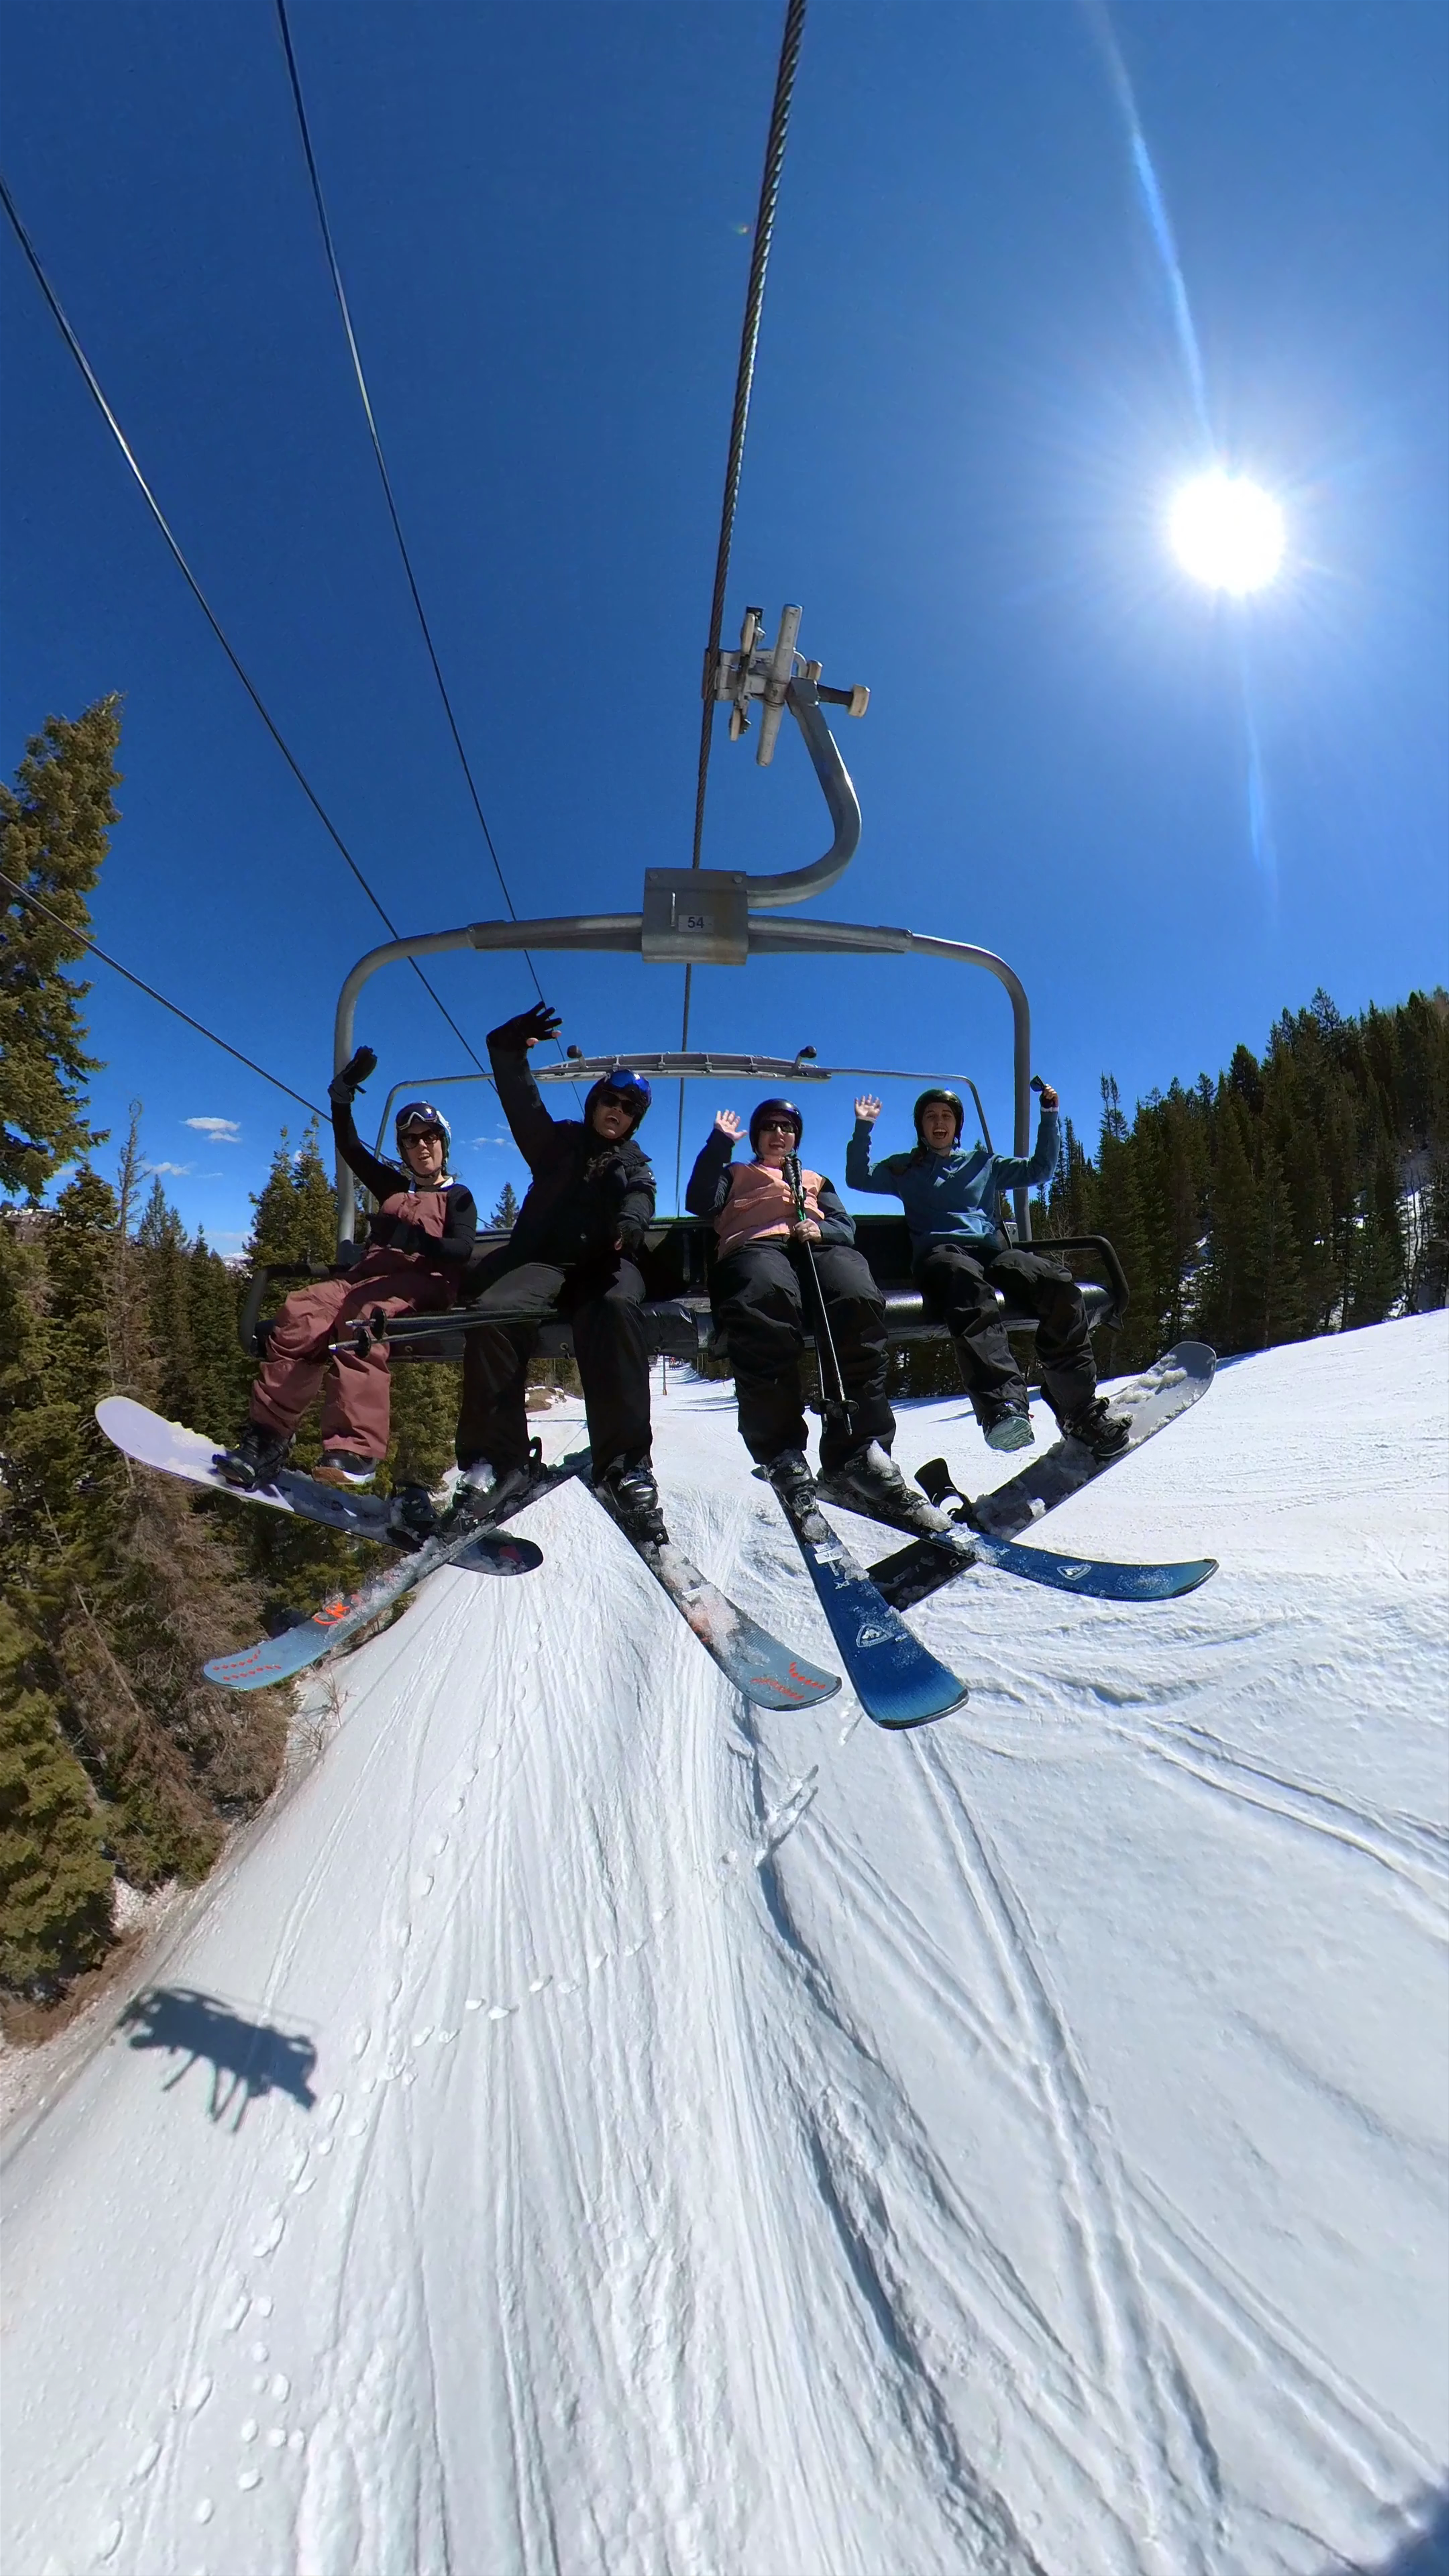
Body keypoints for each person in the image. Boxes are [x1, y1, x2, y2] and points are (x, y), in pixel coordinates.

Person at [217, 1048, 477, 1492]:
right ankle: (268, 1437)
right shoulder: (394, 1187)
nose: (422, 1145)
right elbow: (351, 1149)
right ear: (405, 1151)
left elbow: (461, 1249)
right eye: (412, 1140)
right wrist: (341, 1100)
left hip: (424, 1281)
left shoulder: (459, 1197)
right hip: (371, 1275)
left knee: (362, 1314)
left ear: (443, 1142)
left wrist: (413, 1240)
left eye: (430, 1136)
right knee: (302, 1310)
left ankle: (357, 1446)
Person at [452, 1003, 665, 1542]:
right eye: (611, 1099)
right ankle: (499, 1462)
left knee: (617, 1307)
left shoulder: (632, 1161)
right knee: (494, 1312)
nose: (618, 1110)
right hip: (544, 1262)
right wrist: (507, 1048)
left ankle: (626, 1463)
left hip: (604, 1261)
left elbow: (642, 1195)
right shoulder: (558, 1145)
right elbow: (522, 1104)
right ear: (596, 1102)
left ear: (635, 1120)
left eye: (629, 1107)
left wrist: (631, 1222)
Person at [846, 1084, 1127, 1458]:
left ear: (956, 1125)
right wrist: (864, 1127)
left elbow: (1040, 1169)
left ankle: (1078, 1408)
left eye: (946, 1116)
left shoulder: (984, 1164)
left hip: (993, 1253)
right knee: (969, 1288)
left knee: (1056, 1284)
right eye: (931, 1117)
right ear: (921, 1127)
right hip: (942, 1256)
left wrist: (1049, 1117)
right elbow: (858, 1177)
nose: (939, 1122)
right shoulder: (906, 1168)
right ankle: (1002, 1407)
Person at [686, 1096, 917, 1515]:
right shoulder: (735, 1172)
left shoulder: (814, 1179)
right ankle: (782, 1449)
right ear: (756, 1135)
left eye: (787, 1127)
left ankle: (860, 1446)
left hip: (813, 1246)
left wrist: (822, 1227)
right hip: (756, 1248)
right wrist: (719, 1144)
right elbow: (700, 1201)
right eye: (770, 1126)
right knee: (766, 1297)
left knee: (857, 1294)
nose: (779, 1134)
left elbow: (846, 1226)